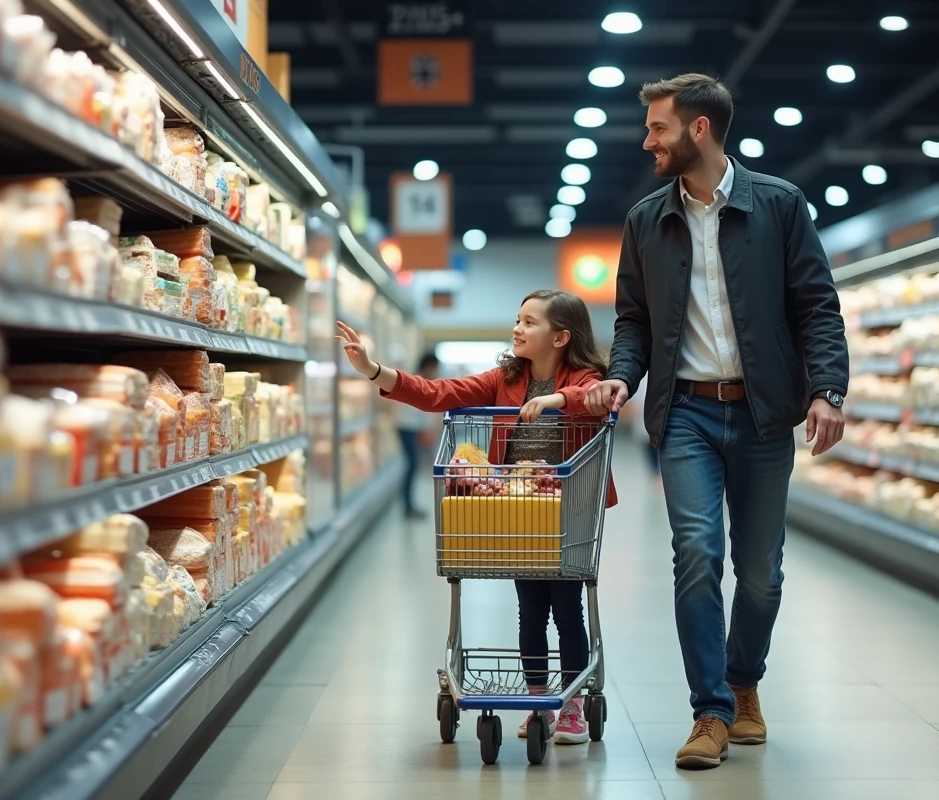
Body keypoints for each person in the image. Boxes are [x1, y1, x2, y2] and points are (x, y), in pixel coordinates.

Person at [585, 73, 849, 770]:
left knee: (761, 573)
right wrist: (622, 376)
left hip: (764, 414)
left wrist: (828, 390)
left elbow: (817, 306)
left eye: (658, 128)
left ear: (698, 129)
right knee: (698, 554)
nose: (648, 141)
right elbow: (634, 320)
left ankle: (743, 680)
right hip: (687, 414)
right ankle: (710, 711)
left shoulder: (779, 205)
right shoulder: (646, 220)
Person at [336, 289, 618, 745]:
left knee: (568, 611)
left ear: (561, 337)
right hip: (518, 512)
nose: (517, 328)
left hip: (567, 513)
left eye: (530, 322)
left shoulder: (586, 376)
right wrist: (373, 370)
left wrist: (555, 400)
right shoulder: (505, 378)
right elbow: (440, 393)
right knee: (531, 612)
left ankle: (571, 706)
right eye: (518, 319)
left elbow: (594, 397)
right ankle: (539, 701)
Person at [396, 352, 440, 518]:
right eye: (434, 368)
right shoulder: (417, 382)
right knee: (412, 465)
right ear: (428, 366)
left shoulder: (419, 380)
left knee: (412, 465)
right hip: (407, 427)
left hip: (411, 428)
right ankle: (408, 506)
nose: (435, 372)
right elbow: (421, 409)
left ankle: (408, 505)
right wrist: (428, 430)